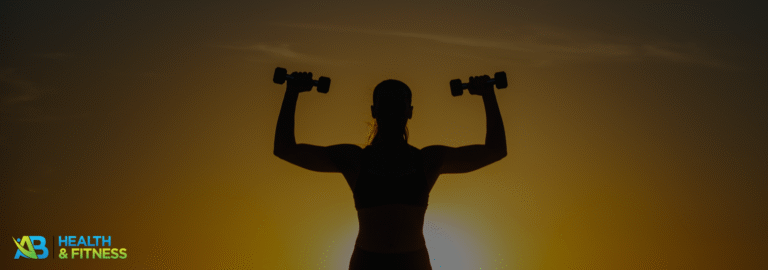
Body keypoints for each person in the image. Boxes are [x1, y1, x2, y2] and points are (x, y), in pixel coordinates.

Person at [273, 71, 507, 270]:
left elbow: (495, 150)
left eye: (398, 105)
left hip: (414, 263)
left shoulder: (428, 160)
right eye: (386, 105)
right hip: (367, 263)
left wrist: (488, 94)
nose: (392, 111)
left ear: (409, 111)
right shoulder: (354, 159)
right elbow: (285, 149)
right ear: (374, 110)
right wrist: (292, 91)